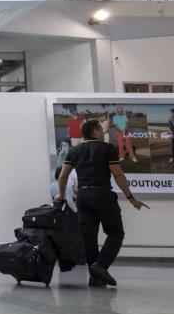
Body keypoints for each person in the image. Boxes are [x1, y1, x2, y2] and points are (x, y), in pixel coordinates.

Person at [55, 119, 148, 288]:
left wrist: (61, 195)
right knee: (115, 233)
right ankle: (101, 266)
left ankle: (95, 278)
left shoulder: (74, 150)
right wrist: (131, 198)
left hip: (82, 195)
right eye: (102, 129)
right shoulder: (107, 149)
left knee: (89, 237)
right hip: (102, 194)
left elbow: (63, 176)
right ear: (96, 131)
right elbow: (118, 175)